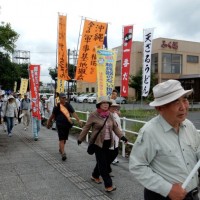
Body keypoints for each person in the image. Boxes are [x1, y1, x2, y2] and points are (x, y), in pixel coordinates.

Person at [129, 79, 200, 200]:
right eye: (175, 102)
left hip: (192, 194)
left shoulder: (188, 125)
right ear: (159, 108)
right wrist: (167, 189)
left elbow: (197, 151)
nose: (183, 107)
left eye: (185, 100)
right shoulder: (150, 132)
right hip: (163, 196)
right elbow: (137, 166)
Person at [77, 96, 128, 192]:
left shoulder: (110, 115)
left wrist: (122, 137)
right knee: (103, 164)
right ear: (99, 105)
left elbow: (115, 128)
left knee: (105, 161)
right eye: (103, 103)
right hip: (98, 143)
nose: (105, 104)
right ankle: (108, 185)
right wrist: (80, 138)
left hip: (108, 143)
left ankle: (95, 175)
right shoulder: (94, 115)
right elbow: (86, 127)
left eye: (107, 103)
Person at [46, 92, 83, 161]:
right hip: (59, 125)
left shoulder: (68, 105)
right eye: (63, 98)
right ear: (59, 98)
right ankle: (63, 153)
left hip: (67, 125)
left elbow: (73, 113)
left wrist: (79, 120)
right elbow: (52, 116)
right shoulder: (57, 106)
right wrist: (48, 122)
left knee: (65, 139)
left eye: (65, 97)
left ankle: (61, 149)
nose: (64, 99)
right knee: (62, 139)